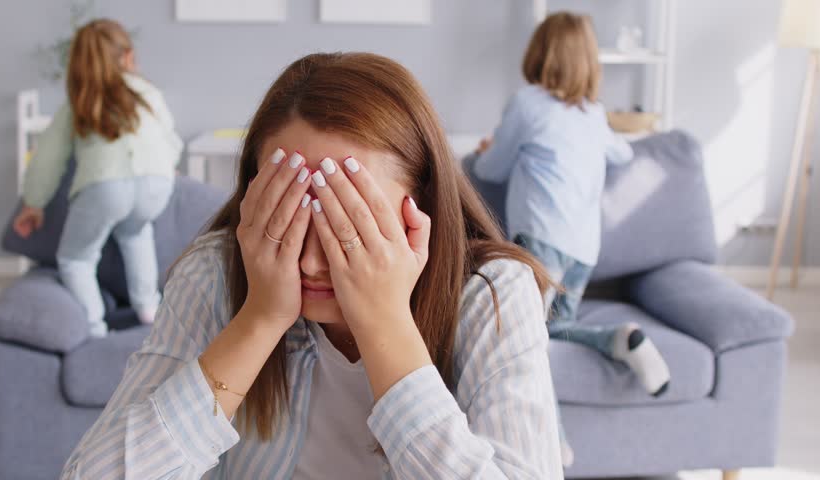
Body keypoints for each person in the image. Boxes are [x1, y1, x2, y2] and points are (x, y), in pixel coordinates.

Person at [61, 52, 563, 479]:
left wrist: (385, 322)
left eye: (352, 222)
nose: (311, 261)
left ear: (421, 207)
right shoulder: (213, 275)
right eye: (287, 216)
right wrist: (259, 319)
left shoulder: (493, 293)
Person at [468, 12, 671, 466]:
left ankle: (552, 439)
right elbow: (621, 152)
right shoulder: (594, 115)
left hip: (541, 239)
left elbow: (490, 170)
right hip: (583, 250)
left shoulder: (527, 103)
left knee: (526, 338)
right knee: (553, 328)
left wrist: (484, 151)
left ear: (539, 53)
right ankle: (621, 339)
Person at [13, 19, 183, 338]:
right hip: (157, 184)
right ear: (128, 56)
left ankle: (94, 327)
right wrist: (167, 166)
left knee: (76, 258)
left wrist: (33, 203)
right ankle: (149, 310)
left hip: (106, 186)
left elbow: (47, 158)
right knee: (136, 233)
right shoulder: (148, 93)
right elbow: (171, 140)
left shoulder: (79, 102)